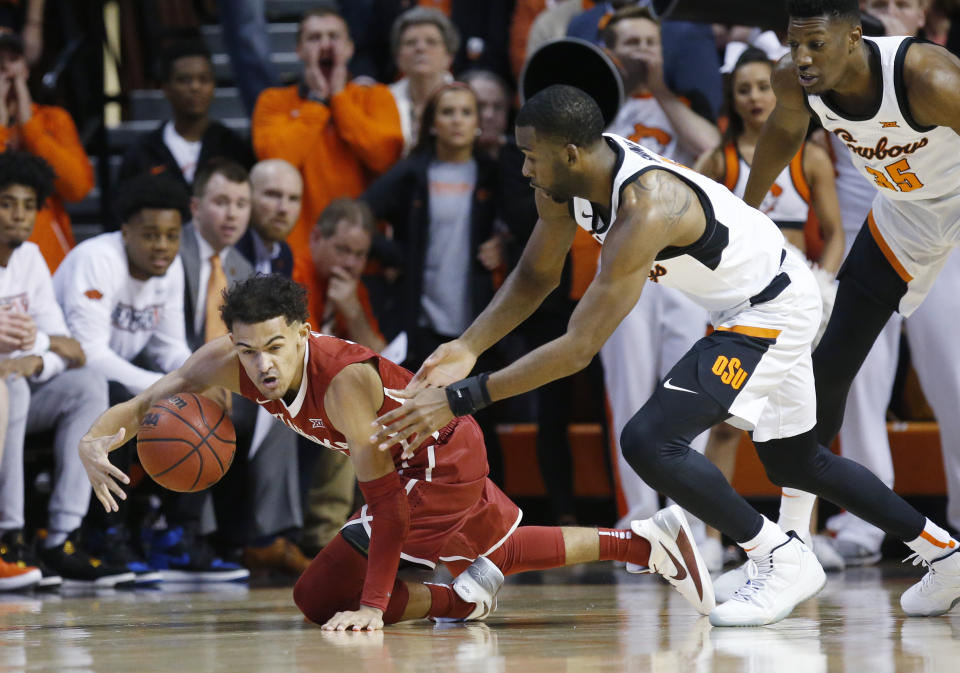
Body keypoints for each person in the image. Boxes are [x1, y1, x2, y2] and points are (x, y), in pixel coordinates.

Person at [372, 84, 960, 626]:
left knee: (650, 439)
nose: (523, 167)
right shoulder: (565, 182)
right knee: (796, 461)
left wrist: (460, 399)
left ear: (573, 153)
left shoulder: (645, 208)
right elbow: (534, 276)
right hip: (746, 300)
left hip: (771, 307)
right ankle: (946, 554)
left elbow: (579, 348)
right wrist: (466, 347)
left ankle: (778, 557)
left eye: (532, 156)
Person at [76, 273, 715, 631]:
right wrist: (95, 438)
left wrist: (374, 608)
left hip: (439, 460)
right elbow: (147, 403)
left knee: (323, 596)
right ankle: (645, 543)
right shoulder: (227, 359)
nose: (261, 365)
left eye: (274, 347)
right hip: (419, 458)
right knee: (491, 549)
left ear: (302, 333)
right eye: (248, 350)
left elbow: (387, 510)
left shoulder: (345, 385)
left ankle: (459, 601)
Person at [742, 0, 960, 610]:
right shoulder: (793, 79)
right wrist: (742, 209)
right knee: (823, 381)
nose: (802, 58)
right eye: (794, 44)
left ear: (854, 37)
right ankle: (791, 550)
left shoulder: (928, 78)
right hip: (905, 217)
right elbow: (785, 128)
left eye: (815, 44)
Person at [694, 46, 845, 573]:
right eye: (744, 89)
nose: (756, 97)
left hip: (800, 305)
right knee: (727, 425)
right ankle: (710, 537)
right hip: (740, 304)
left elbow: (835, 233)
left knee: (805, 424)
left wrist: (823, 284)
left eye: (764, 86)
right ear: (732, 100)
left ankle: (805, 535)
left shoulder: (811, 156)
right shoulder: (720, 160)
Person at [595, 6, 718, 550]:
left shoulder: (682, 106)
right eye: (631, 43)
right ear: (612, 52)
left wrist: (661, 87)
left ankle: (689, 519)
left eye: (650, 42)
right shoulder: (597, 113)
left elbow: (713, 149)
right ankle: (640, 526)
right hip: (624, 269)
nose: (642, 51)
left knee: (688, 391)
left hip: (685, 270)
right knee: (629, 389)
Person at [0, 151, 131, 588]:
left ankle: (62, 536)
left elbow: (71, 348)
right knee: (13, 387)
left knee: (87, 384)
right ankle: (9, 535)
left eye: (26, 204)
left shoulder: (31, 258)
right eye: (6, 203)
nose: (18, 214)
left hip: (15, 386)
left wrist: (34, 354)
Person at [176, 159, 304, 577]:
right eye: (221, 202)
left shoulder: (242, 270)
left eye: (240, 204)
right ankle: (196, 536)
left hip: (223, 377)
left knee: (282, 401)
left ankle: (262, 536)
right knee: (208, 411)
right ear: (196, 207)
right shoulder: (170, 249)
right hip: (178, 375)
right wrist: (204, 378)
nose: (232, 214)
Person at [252, 3, 404, 279]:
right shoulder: (273, 101)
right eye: (314, 38)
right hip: (296, 262)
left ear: (349, 48)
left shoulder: (376, 97)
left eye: (333, 37)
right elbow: (276, 161)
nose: (325, 45)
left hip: (362, 260)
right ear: (299, 50)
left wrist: (339, 98)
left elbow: (385, 158)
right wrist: (318, 102)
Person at [0, 29, 93, 271]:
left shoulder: (53, 120)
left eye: (12, 60)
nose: (5, 70)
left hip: (50, 263)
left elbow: (77, 188)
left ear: (26, 69)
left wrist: (30, 127)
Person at [117, 41, 256, 195]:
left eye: (204, 79)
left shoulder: (233, 147)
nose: (195, 87)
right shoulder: (144, 151)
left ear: (213, 86)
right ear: (166, 88)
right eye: (184, 80)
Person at [294, 197, 385, 353]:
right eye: (342, 250)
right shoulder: (294, 275)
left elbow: (383, 358)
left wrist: (354, 314)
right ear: (316, 238)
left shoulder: (352, 286)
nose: (350, 263)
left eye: (360, 254)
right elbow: (307, 353)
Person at [388, 8, 457, 156]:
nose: (420, 48)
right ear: (398, 57)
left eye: (431, 42)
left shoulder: (466, 98)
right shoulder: (383, 99)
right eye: (410, 42)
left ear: (449, 56)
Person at [235, 159, 301, 278]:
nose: (284, 208)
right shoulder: (228, 248)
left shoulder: (284, 254)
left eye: (293, 199)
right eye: (273, 195)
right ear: (247, 196)